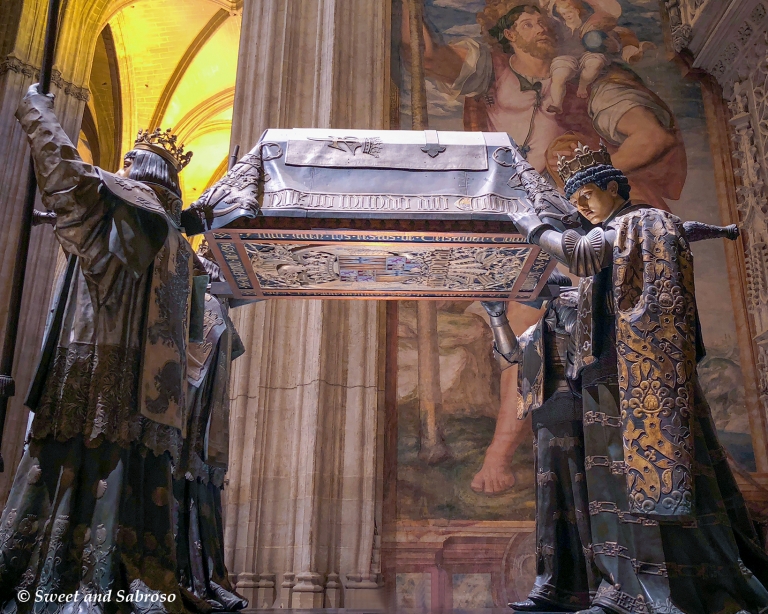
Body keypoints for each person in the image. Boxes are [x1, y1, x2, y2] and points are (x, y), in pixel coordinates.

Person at [510, 142, 768, 614]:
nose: (583, 205)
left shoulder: (639, 221)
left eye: (587, 193)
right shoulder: (622, 231)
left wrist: (532, 226)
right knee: (609, 486)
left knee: (642, 479)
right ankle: (618, 589)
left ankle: (662, 591)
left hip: (639, 373)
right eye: (576, 198)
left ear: (613, 187)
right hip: (604, 375)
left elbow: (582, 254)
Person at [0, 83, 197, 614]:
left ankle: (63, 584)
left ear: (144, 173)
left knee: (74, 471)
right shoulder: (179, 243)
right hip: (150, 401)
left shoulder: (129, 208)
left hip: (95, 367)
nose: (122, 165)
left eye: (130, 159)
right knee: (130, 480)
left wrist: (36, 110)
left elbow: (66, 174)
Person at [401, 0, 686, 209]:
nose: (540, 29)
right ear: (509, 35)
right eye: (528, 24)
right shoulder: (490, 70)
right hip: (512, 205)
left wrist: (584, 178)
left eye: (543, 23)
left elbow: (652, 137)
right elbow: (427, 56)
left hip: (576, 205)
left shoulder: (587, 80)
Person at [483, 272, 598, 611]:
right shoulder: (537, 328)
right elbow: (511, 356)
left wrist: (568, 312)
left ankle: (600, 584)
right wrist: (497, 316)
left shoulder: (576, 309)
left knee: (586, 503)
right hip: (548, 422)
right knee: (552, 505)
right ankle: (553, 583)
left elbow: (587, 353)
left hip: (583, 420)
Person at [174, 246, 247, 613]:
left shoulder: (214, 302)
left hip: (202, 422)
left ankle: (201, 576)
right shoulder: (189, 286)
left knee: (199, 474)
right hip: (181, 408)